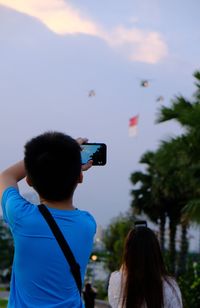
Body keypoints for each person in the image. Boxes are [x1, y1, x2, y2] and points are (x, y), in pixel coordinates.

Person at [0, 131, 96, 308]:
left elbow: (6, 176)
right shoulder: (87, 224)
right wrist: (69, 159)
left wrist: (59, 154)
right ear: (79, 178)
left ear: (29, 180)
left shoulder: (22, 217)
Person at [108, 226, 183, 308]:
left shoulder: (117, 280)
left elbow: (114, 303)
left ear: (128, 253)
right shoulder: (169, 286)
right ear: (156, 253)